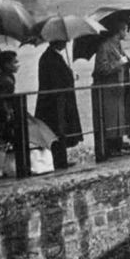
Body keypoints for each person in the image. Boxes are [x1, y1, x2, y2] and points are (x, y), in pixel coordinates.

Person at [35, 39, 82, 169]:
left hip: (54, 101)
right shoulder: (51, 58)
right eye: (64, 42)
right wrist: (69, 77)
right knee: (58, 130)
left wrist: (69, 74)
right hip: (55, 102)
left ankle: (60, 160)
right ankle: (59, 162)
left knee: (58, 131)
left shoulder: (49, 56)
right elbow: (56, 80)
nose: (66, 44)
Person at [92, 26, 130, 156]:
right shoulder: (104, 47)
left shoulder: (118, 45)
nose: (126, 32)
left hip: (118, 88)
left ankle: (118, 143)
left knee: (119, 117)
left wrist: (128, 61)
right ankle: (111, 147)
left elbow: (124, 59)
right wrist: (118, 64)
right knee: (111, 118)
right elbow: (101, 69)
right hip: (109, 89)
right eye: (125, 29)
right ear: (118, 31)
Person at [0, 51, 20, 178]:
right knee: (3, 141)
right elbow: (2, 100)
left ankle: (2, 169)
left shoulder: (0, 76)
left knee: (4, 141)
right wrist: (8, 113)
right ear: (7, 65)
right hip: (0, 116)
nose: (18, 65)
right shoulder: (6, 80)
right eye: (15, 62)